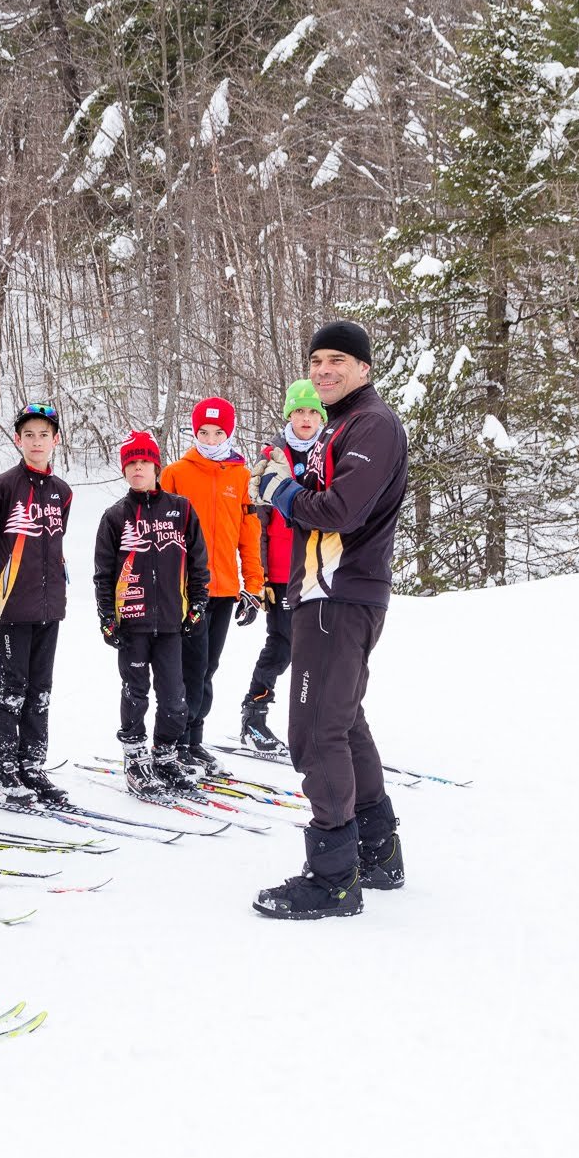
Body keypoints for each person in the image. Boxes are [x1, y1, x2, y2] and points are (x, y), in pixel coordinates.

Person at [251, 321, 409, 920]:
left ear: (364, 368)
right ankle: (377, 850)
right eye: (316, 360)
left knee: (316, 731)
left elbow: (341, 510)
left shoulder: (373, 424)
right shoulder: (340, 425)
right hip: (328, 593)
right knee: (343, 721)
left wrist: (282, 491)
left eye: (337, 360)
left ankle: (333, 878)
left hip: (341, 594)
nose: (323, 370)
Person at [0, 403, 74, 806]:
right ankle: (2, 770)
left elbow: (53, 546)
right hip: (10, 605)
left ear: (55, 439)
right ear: (17, 440)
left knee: (41, 689)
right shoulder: (3, 486)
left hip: (49, 606)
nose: (37, 442)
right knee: (11, 689)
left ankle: (32, 766)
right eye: (29, 435)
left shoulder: (62, 491)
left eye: (44, 434)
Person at [95, 431, 209, 800]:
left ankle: (165, 754)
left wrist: (197, 604)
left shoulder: (182, 508)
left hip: (172, 623)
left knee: (175, 697)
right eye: (131, 463)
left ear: (156, 466)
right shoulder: (115, 516)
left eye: (144, 462)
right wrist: (107, 618)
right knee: (136, 692)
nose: (138, 468)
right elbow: (104, 573)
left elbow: (198, 563)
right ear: (124, 469)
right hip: (133, 623)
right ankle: (135, 756)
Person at [161, 396, 264, 772]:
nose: (209, 438)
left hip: (225, 589)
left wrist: (253, 586)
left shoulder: (241, 476)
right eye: (203, 431)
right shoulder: (175, 474)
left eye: (217, 432)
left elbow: (248, 536)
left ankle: (194, 738)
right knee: (189, 667)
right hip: (186, 590)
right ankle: (175, 741)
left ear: (229, 432)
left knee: (209, 667)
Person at [239, 379, 326, 752]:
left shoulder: (331, 450)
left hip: (321, 569)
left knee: (323, 649)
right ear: (289, 414)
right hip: (280, 569)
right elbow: (255, 521)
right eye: (299, 411)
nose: (305, 418)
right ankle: (254, 716)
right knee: (284, 645)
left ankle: (318, 725)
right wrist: (256, 578)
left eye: (312, 411)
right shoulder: (271, 456)